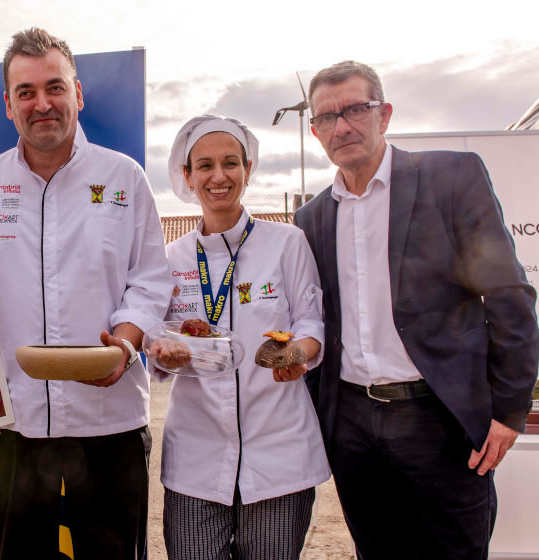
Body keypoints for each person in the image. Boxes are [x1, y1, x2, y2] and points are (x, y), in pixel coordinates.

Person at [294, 60, 539, 559]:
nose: (341, 126)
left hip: (440, 420)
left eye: (355, 109)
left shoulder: (450, 177)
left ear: (383, 114)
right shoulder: (312, 216)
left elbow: (509, 294)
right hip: (354, 427)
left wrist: (511, 409)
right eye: (326, 118)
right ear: (316, 131)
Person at [0, 27, 171, 559]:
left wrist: (123, 343)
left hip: (109, 424)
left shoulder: (124, 178)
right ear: (8, 105)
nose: (42, 103)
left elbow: (150, 278)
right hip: (15, 426)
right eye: (26, 92)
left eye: (54, 87)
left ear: (78, 92)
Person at [149, 115, 329, 559]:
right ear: (187, 176)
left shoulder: (287, 243)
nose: (219, 175)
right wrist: (165, 355)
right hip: (196, 456)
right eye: (205, 165)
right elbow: (159, 339)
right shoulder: (170, 257)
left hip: (279, 453)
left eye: (231, 163)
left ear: (248, 169)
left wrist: (296, 354)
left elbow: (311, 323)